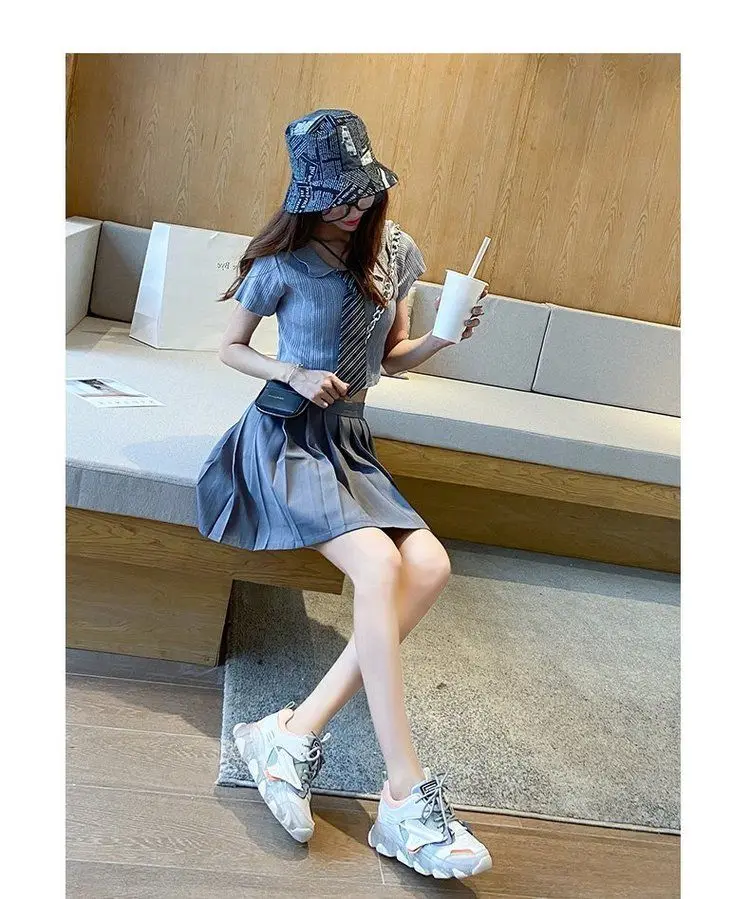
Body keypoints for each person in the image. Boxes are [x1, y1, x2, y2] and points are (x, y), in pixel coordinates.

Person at [196, 109, 491, 880]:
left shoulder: (395, 250)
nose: (352, 206)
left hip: (350, 441)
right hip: (285, 436)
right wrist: (289, 372)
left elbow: (392, 358)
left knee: (430, 566)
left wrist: (443, 339)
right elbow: (230, 347)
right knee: (379, 566)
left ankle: (289, 733)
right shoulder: (282, 263)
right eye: (335, 196)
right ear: (305, 196)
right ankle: (405, 794)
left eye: (360, 190)